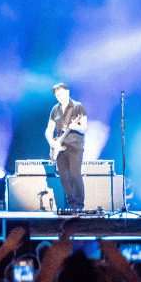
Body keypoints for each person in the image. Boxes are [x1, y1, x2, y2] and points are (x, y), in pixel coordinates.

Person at [45, 83, 87, 211]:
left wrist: (76, 127)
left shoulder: (78, 107)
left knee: (75, 175)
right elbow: (49, 130)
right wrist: (51, 142)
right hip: (59, 148)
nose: (60, 97)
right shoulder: (54, 110)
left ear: (68, 92)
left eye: (62, 94)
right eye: (57, 95)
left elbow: (84, 129)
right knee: (64, 178)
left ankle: (79, 206)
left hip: (75, 146)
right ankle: (72, 204)